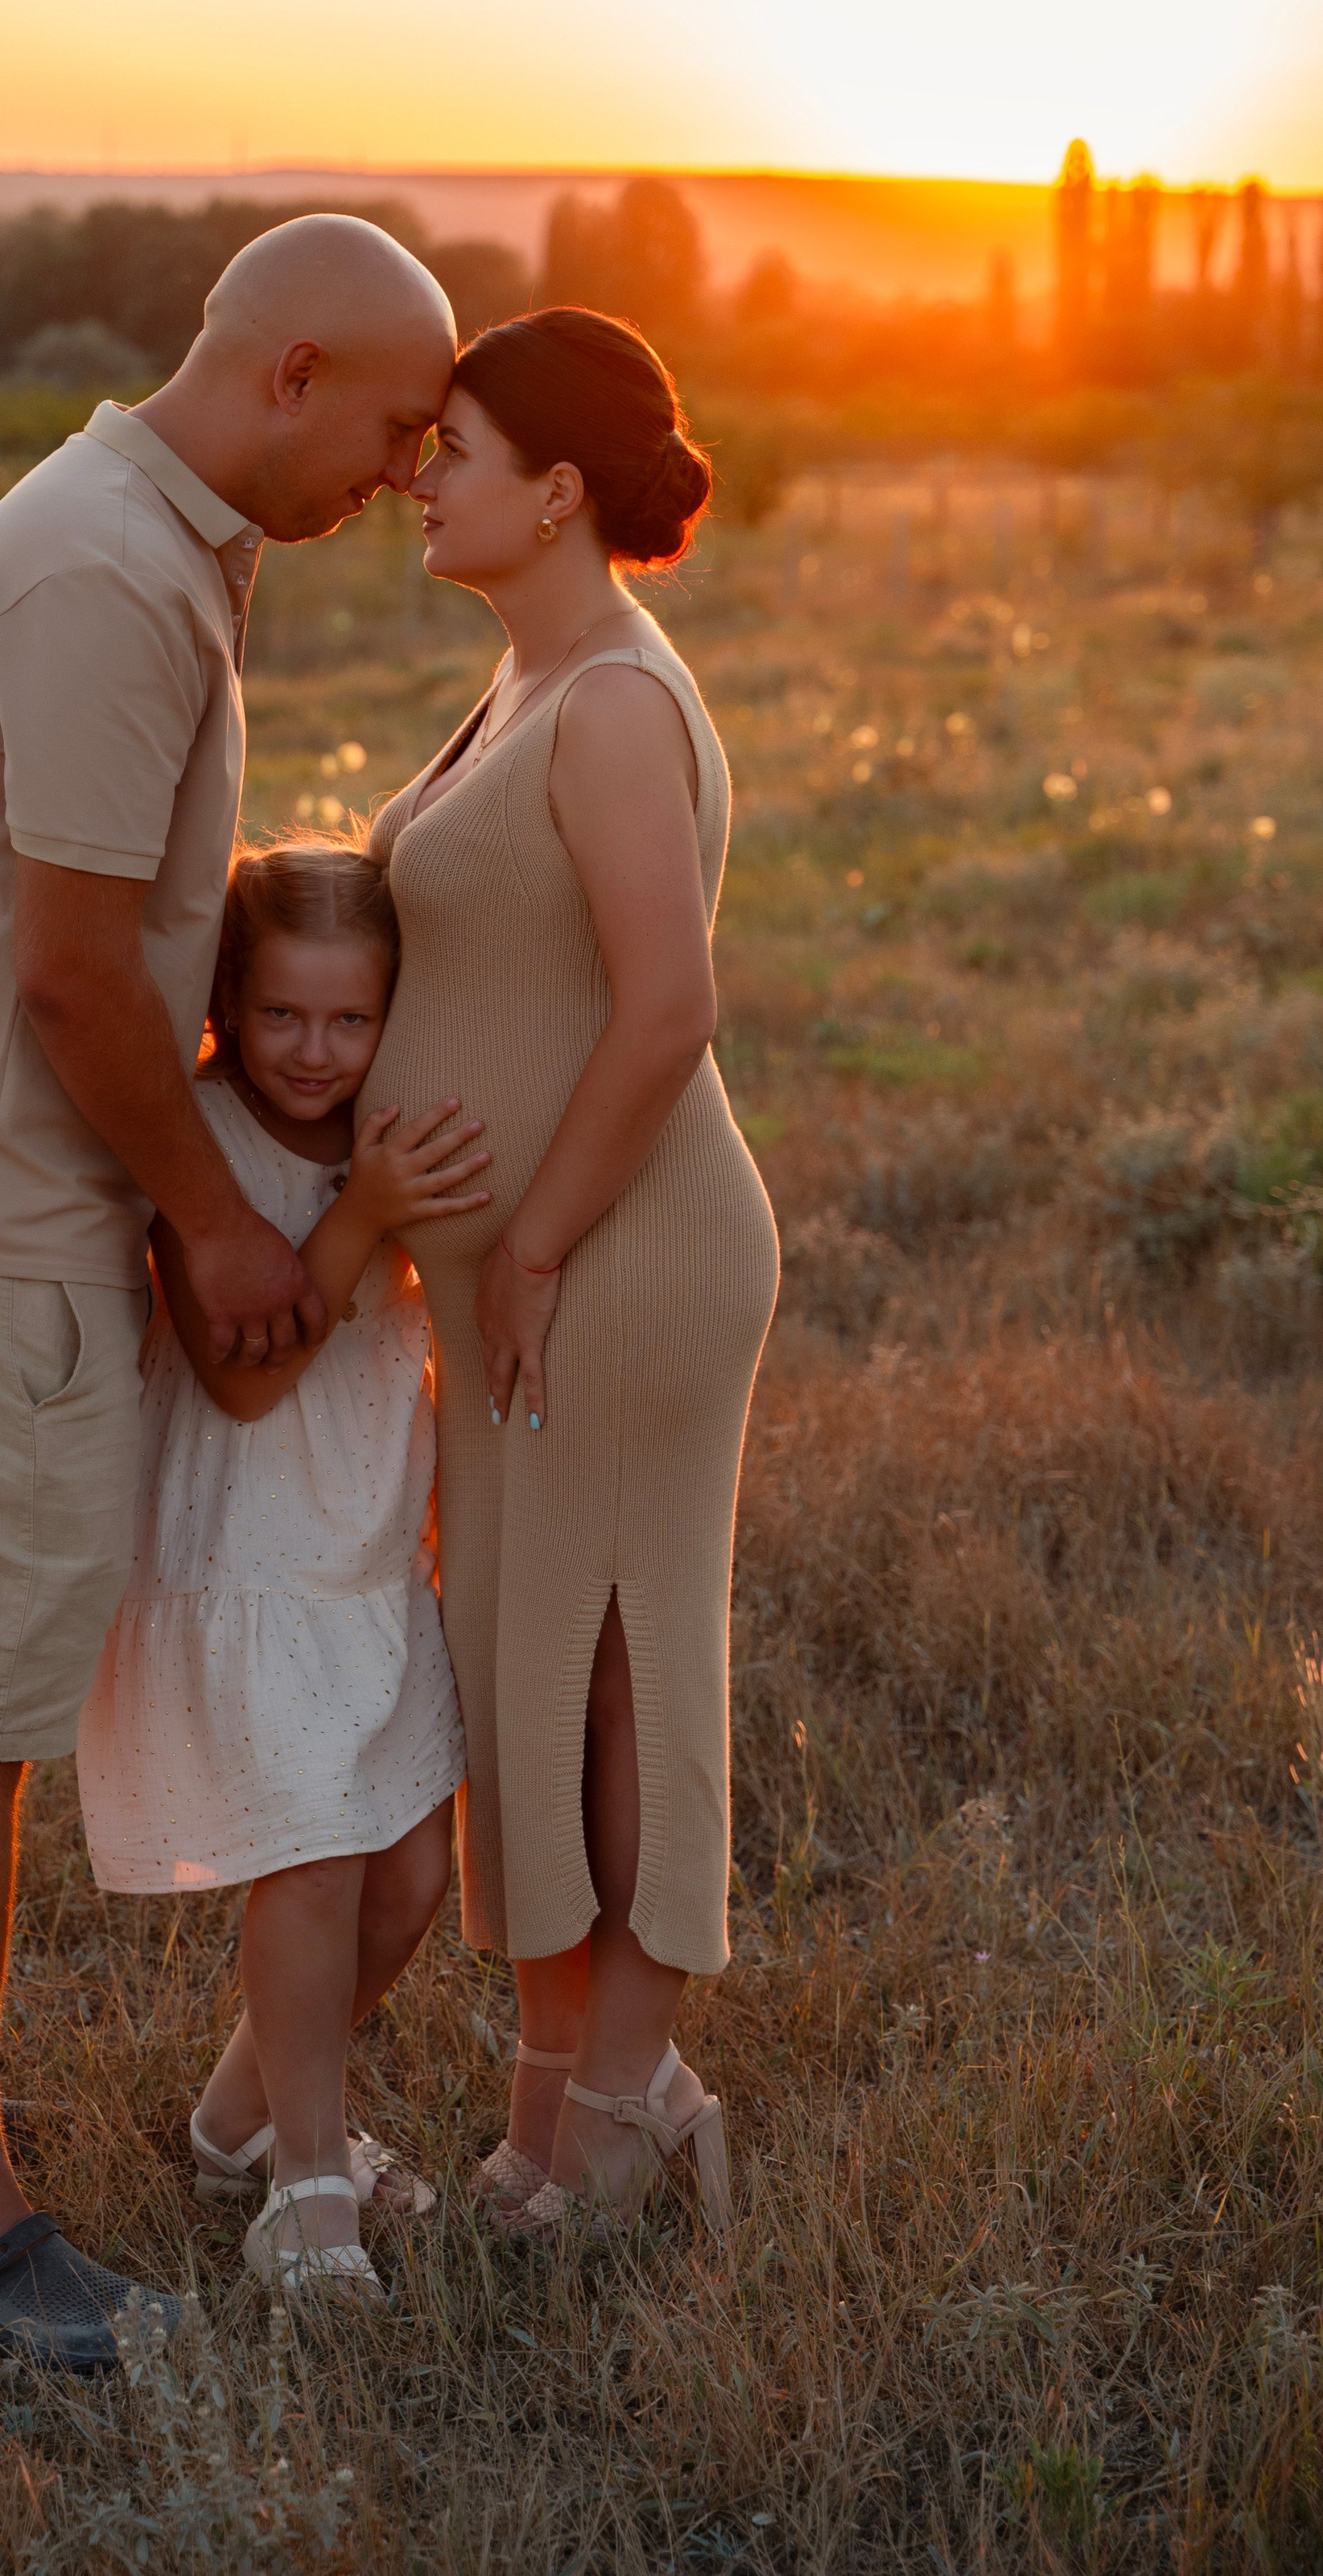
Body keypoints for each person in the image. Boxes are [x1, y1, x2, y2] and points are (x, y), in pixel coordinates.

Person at [0, 216, 456, 2365]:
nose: (404, 465)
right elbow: (74, 973)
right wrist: (220, 1221)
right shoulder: (106, 573)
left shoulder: (151, 543)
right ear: (291, 374)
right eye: (396, 421)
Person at [361, 307, 779, 2244]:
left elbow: (667, 1006)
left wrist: (522, 1244)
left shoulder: (610, 696)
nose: (410, 474)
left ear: (553, 488)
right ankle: (563, 2110)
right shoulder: (527, 678)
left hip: (616, 1260)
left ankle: (619, 2106)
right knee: (516, 1668)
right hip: (525, 1276)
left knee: (613, 1672)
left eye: (446, 444)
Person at [76, 842, 487, 2306]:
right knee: (313, 1860)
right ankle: (309, 2190)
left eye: (349, 1022)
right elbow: (246, 1389)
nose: (314, 1056)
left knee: (408, 1875)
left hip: (366, 1549)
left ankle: (239, 2120)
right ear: (228, 1005)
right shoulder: (201, 1146)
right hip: (248, 1548)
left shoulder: (386, 1123)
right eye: (280, 1020)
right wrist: (366, 1215)